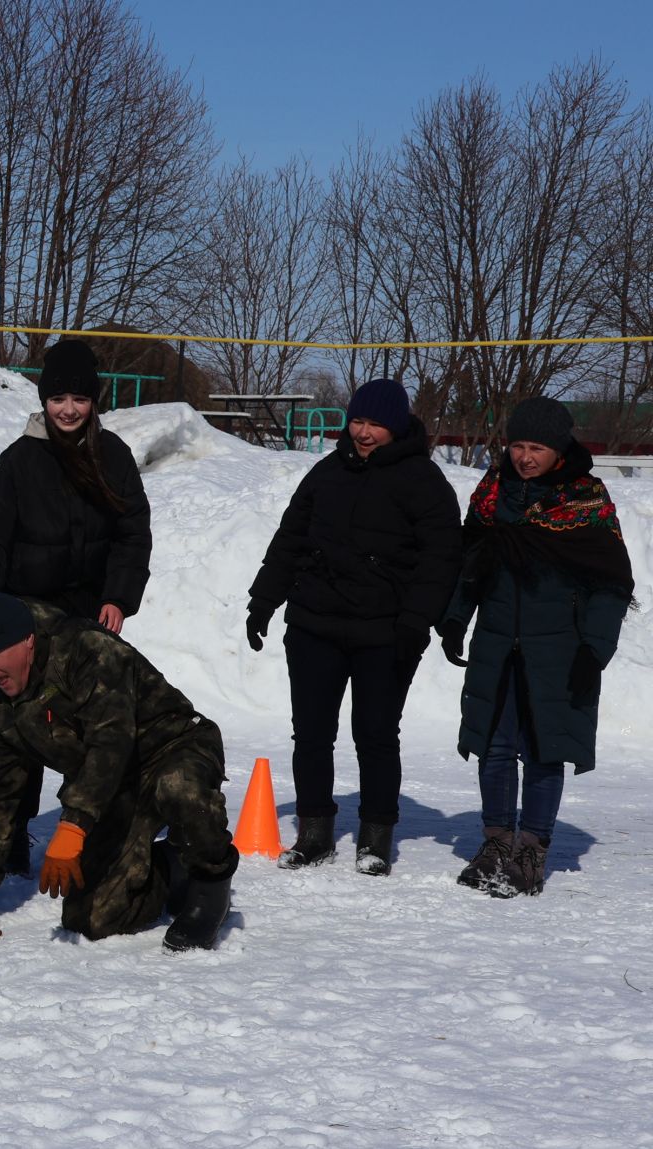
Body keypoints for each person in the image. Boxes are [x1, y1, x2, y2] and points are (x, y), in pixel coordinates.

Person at [0, 337, 151, 923]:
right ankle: (5, 836)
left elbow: (131, 535)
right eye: (57, 397)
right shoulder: (19, 459)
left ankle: (85, 828)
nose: (67, 409)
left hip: (86, 614)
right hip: (22, 611)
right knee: (11, 723)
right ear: (43, 400)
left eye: (79, 398)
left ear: (94, 401)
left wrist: (118, 597)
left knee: (81, 722)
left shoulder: (112, 456)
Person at [245, 378, 462, 875]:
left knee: (377, 734)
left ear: (398, 426)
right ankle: (315, 831)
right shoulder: (327, 472)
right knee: (312, 734)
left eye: (376, 424)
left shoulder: (424, 481)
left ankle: (376, 837)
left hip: (386, 633)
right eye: (358, 421)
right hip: (314, 624)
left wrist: (416, 622)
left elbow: (441, 560)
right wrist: (263, 601)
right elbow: (290, 540)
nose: (363, 433)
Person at [0, 593, 238, 951]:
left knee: (179, 788)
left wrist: (73, 825)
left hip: (173, 748)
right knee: (93, 919)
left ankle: (210, 883)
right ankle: (174, 866)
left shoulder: (88, 650)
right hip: (111, 790)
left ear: (26, 641)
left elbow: (110, 739)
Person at [440, 396, 634, 897]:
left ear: (559, 449)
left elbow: (611, 584)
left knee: (545, 750)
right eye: (519, 445)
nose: (525, 457)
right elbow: (472, 563)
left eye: (538, 448)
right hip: (498, 642)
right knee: (495, 747)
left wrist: (594, 650)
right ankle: (496, 842)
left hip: (560, 650)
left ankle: (531, 849)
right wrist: (456, 618)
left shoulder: (586, 499)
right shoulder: (493, 491)